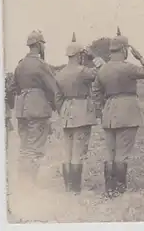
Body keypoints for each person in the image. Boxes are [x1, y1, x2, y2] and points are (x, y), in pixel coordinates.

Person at [92, 28, 144, 198]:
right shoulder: (128, 67)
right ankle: (120, 190)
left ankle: (109, 188)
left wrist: (102, 110)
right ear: (124, 50)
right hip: (127, 111)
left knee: (110, 153)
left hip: (109, 112)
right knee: (122, 153)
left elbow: (95, 92)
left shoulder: (102, 70)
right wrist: (141, 57)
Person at [11, 30, 64, 186]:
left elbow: (12, 87)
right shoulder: (41, 65)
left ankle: (23, 182)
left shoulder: (20, 64)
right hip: (37, 109)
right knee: (35, 148)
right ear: (39, 45)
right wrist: (57, 107)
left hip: (22, 110)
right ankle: (30, 184)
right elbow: (53, 88)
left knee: (25, 147)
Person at [54, 32, 105, 193]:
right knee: (78, 152)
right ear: (79, 55)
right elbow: (102, 71)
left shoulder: (59, 74)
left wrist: (63, 111)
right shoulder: (83, 71)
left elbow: (57, 98)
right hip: (81, 111)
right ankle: (75, 189)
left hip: (66, 112)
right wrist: (94, 59)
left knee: (67, 153)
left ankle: (68, 188)